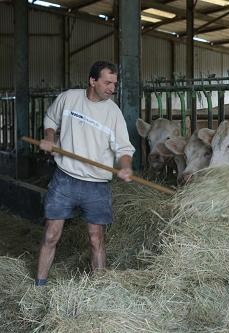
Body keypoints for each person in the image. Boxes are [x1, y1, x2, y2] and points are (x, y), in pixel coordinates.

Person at [35, 61, 135, 286]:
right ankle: (39, 286)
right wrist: (50, 138)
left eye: (114, 84)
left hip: (96, 185)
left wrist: (126, 165)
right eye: (107, 82)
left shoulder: (113, 113)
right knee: (51, 235)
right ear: (92, 81)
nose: (112, 88)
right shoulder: (69, 98)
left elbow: (124, 148)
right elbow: (51, 119)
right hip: (65, 179)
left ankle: (99, 289)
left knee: (96, 239)